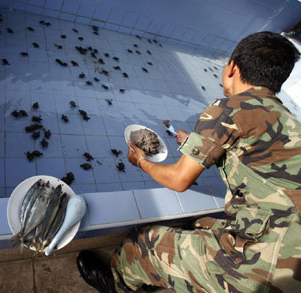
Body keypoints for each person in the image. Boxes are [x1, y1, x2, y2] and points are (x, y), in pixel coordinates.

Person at [77, 31, 301, 292]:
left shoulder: (228, 108)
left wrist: (142, 161)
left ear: (232, 68)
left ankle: (119, 282)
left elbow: (178, 180)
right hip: (289, 235)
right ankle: (168, 271)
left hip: (270, 269)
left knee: (141, 242)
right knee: (199, 225)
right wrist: (195, 142)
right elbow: (248, 153)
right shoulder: (288, 119)